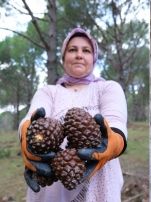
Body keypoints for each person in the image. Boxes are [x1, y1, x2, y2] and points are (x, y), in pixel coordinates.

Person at [19, 27, 127, 202]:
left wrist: (115, 141)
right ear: (63, 58)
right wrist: (26, 134)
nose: (79, 55)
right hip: (51, 192)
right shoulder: (48, 91)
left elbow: (117, 121)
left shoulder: (107, 88)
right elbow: (31, 117)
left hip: (99, 188)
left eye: (86, 50)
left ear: (94, 58)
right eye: (72, 50)